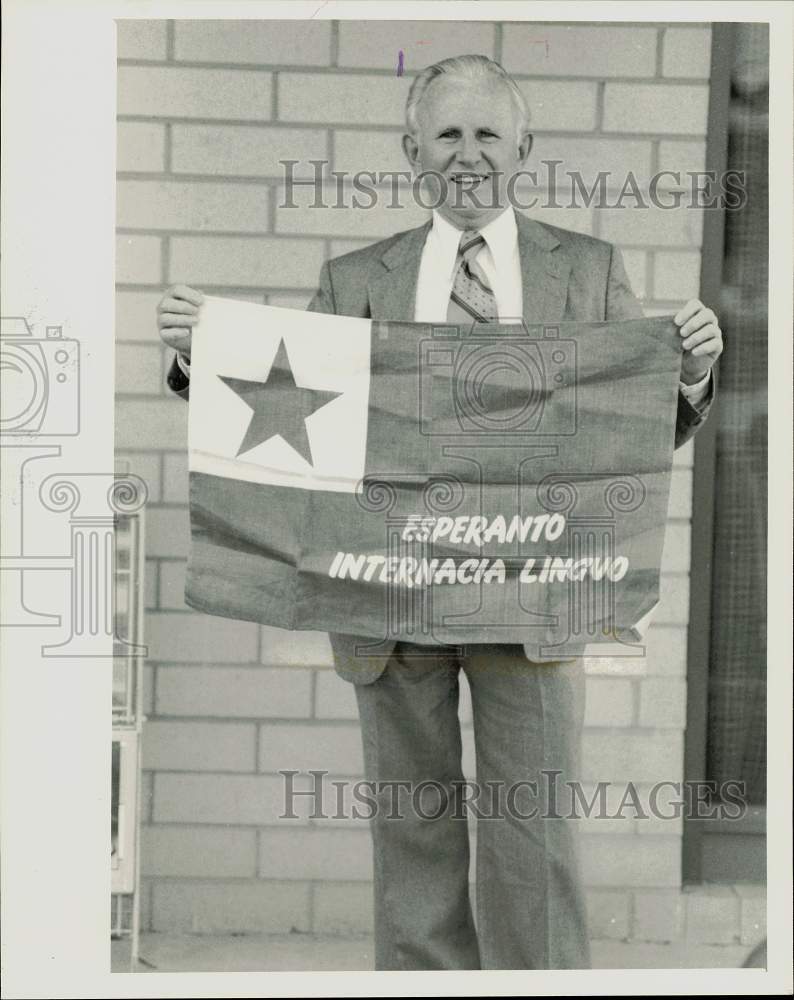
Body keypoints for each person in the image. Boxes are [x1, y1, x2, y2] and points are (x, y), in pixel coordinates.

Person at [156, 55, 723, 970]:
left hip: (536, 599)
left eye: (488, 134)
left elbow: (627, 437)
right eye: (448, 134)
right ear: (411, 149)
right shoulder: (354, 279)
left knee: (530, 838)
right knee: (411, 841)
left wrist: (689, 374)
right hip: (389, 600)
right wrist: (201, 357)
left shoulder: (586, 271)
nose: (468, 155)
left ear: (525, 149)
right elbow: (288, 416)